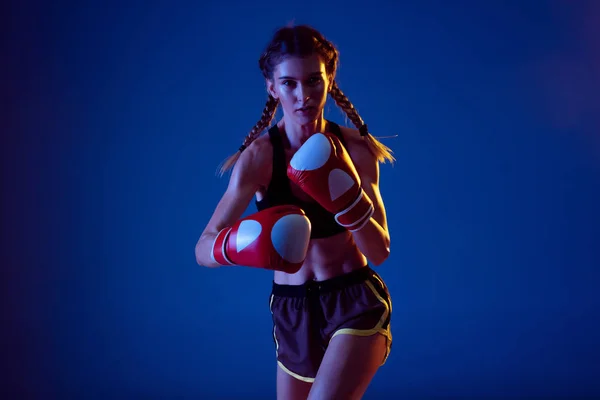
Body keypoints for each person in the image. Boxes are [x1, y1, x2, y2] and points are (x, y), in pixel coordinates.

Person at [195, 23, 395, 400]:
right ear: (272, 87)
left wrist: (347, 202)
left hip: (353, 304)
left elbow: (380, 250)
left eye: (313, 81)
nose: (303, 95)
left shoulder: (355, 150)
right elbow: (202, 249)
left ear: (329, 78)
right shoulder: (258, 159)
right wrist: (234, 245)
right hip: (291, 313)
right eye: (288, 83)